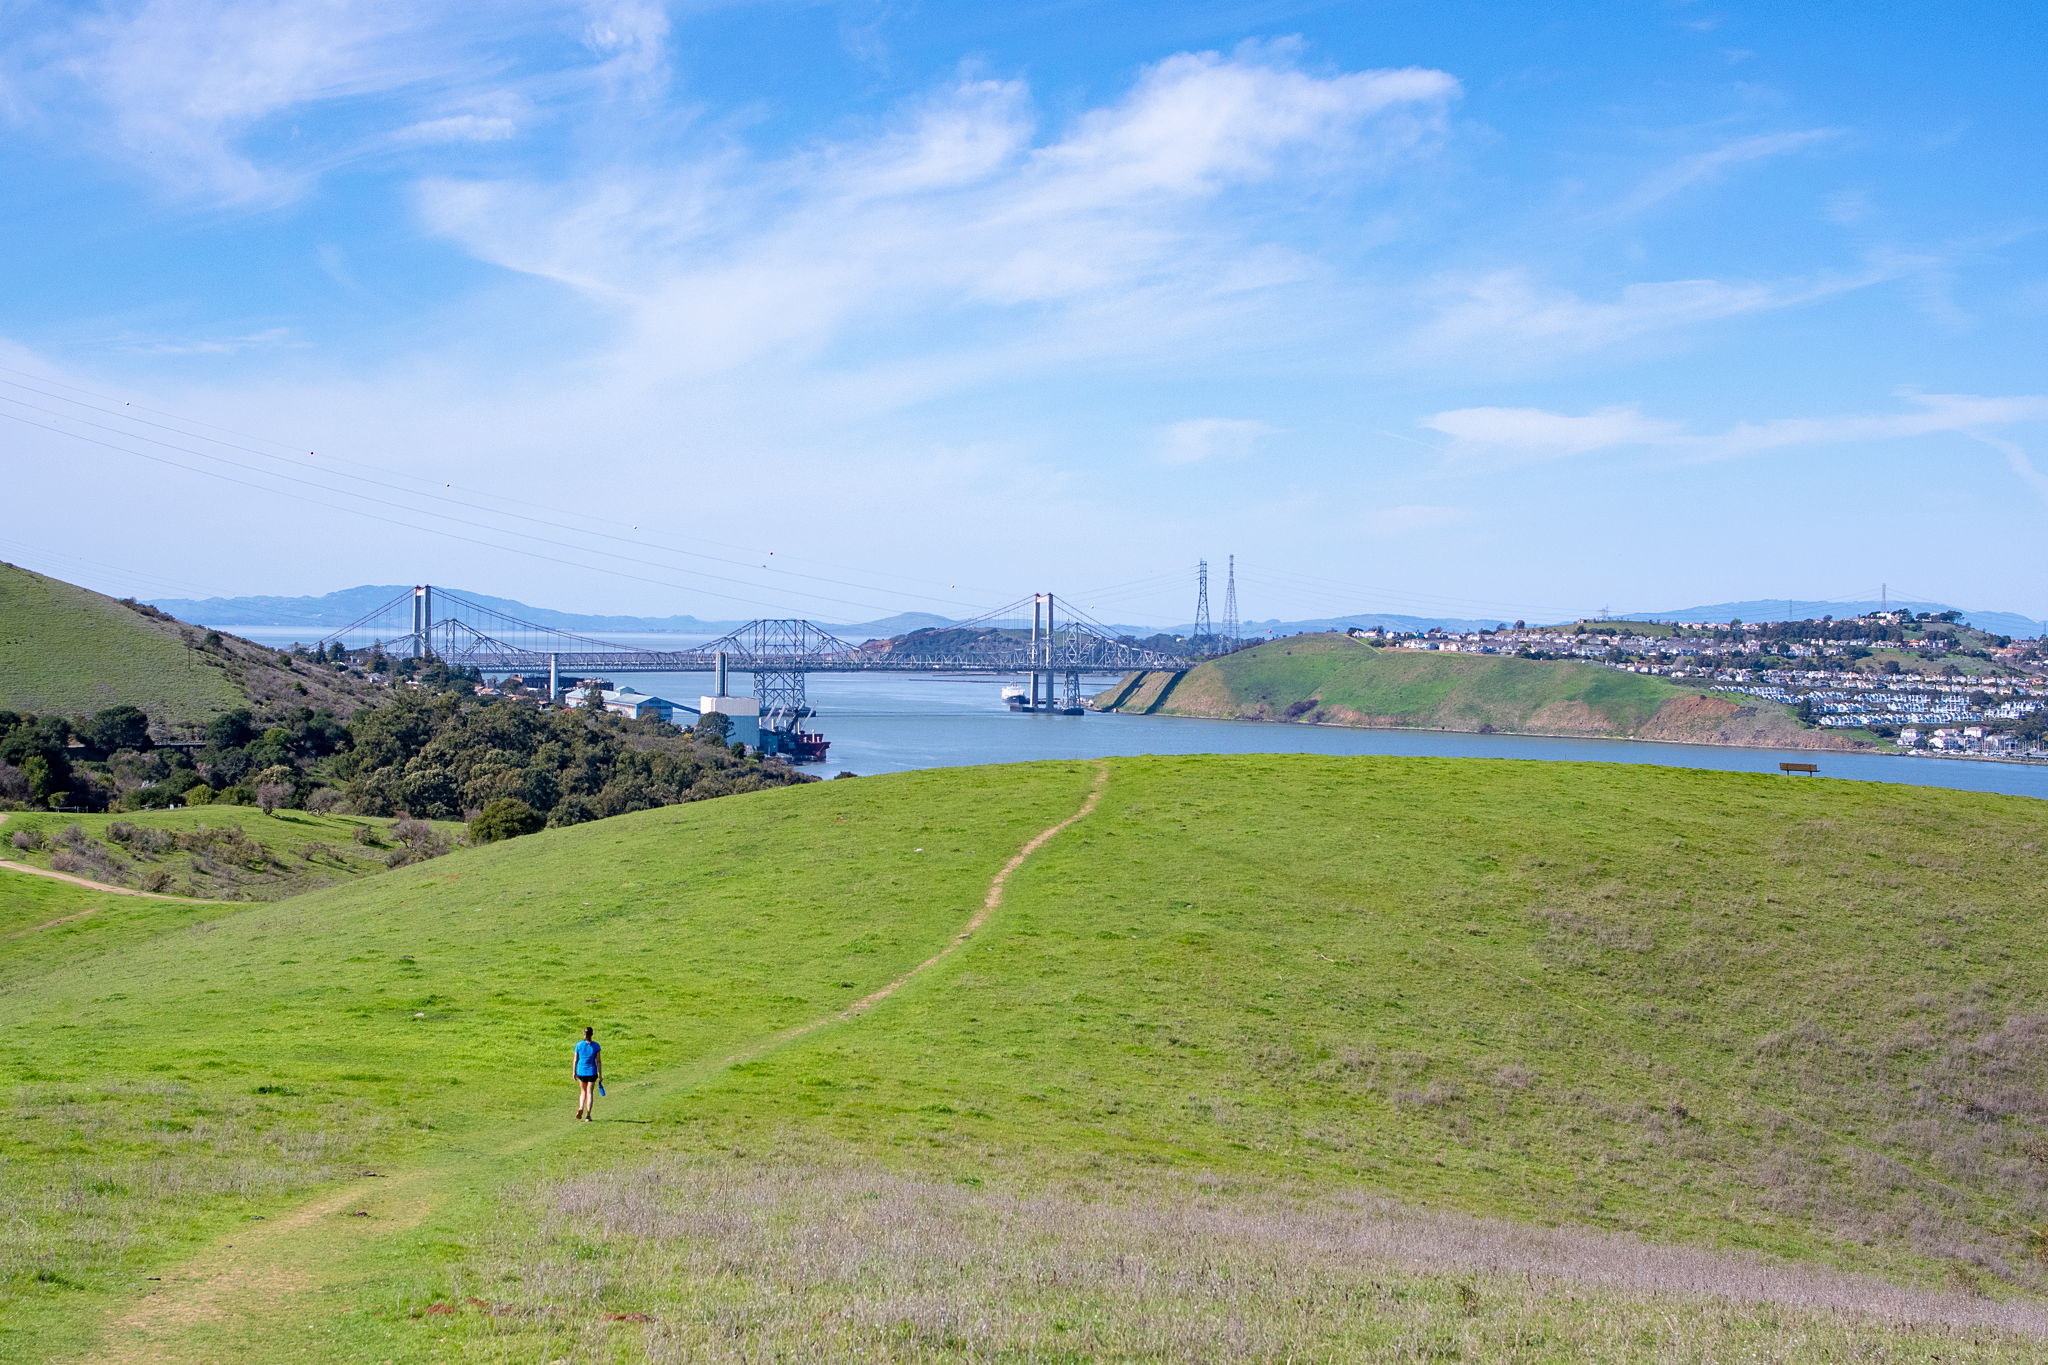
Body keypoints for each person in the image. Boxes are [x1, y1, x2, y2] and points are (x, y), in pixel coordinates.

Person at [574, 1026, 603, 1121]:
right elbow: (598, 1061)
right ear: (592, 1034)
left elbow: (575, 1060)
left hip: (581, 1071)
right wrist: (600, 1075)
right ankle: (588, 1115)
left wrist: (574, 1072)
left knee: (583, 1091)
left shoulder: (579, 1045)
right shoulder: (596, 1046)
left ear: (584, 1034)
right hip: (592, 1072)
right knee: (589, 1092)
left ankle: (581, 1107)